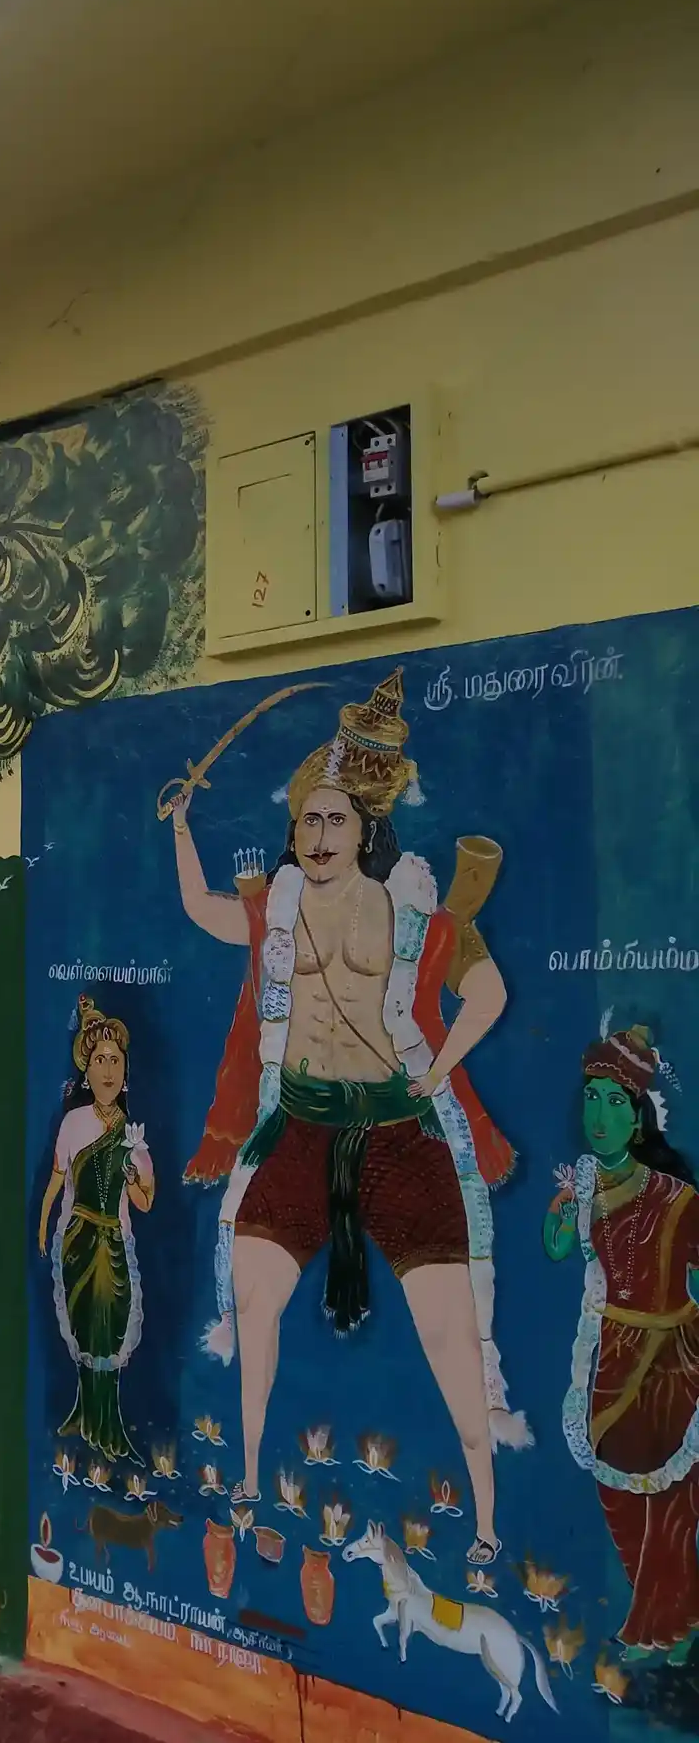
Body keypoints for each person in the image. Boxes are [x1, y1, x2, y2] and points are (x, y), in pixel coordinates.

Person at [169, 669, 524, 1564]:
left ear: (366, 830)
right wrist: (179, 828)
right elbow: (199, 909)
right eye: (308, 823)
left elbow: (487, 993)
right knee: (254, 1296)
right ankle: (251, 1482)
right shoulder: (273, 915)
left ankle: (486, 1524)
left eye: (335, 821)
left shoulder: (420, 915)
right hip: (299, 1129)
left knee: (450, 1331)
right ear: (292, 834)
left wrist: (436, 1071)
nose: (320, 837)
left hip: (400, 1137)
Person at [546, 1025, 699, 1659]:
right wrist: (562, 1215)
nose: (600, 1116)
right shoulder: (584, 1188)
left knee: (667, 1501)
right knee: (618, 1498)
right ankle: (670, 1614)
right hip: (609, 1356)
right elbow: (558, 1249)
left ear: (637, 1120)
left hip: (670, 1363)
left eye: (615, 1102)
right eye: (592, 1099)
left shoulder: (676, 1199)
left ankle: (662, 1629)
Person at [37, 996, 153, 1461]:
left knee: (110, 1330)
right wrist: (44, 1224)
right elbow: (56, 1181)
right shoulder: (73, 1123)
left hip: (113, 1244)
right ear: (87, 1071)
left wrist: (135, 1175)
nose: (108, 1070)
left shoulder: (131, 1134)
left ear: (126, 1071)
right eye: (100, 1060)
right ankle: (84, 1413)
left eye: (115, 1061)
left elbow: (145, 1200)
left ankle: (108, 1422)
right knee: (85, 1331)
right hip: (78, 1240)